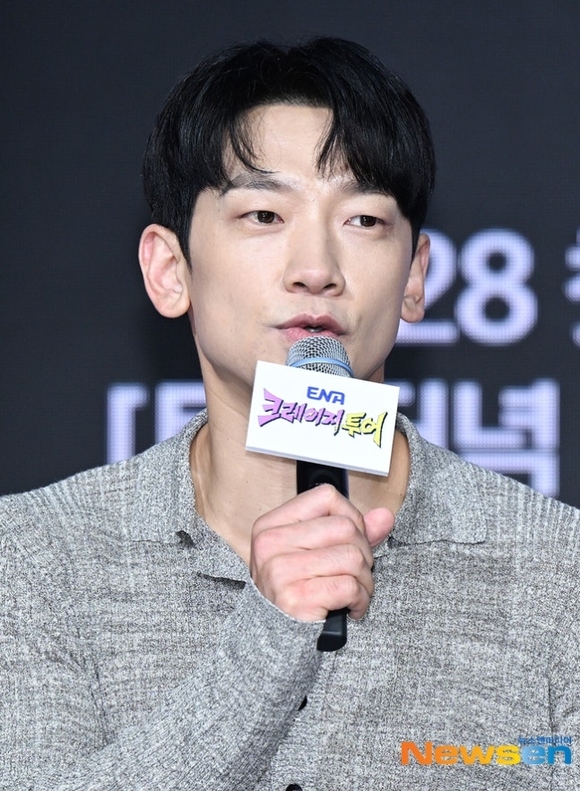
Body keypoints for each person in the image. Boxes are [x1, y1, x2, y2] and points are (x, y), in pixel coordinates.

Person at [0, 37, 578, 791]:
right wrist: (270, 636)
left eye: (363, 220)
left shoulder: (558, 569)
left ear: (415, 278)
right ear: (170, 270)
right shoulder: (38, 556)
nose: (316, 269)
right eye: (265, 214)